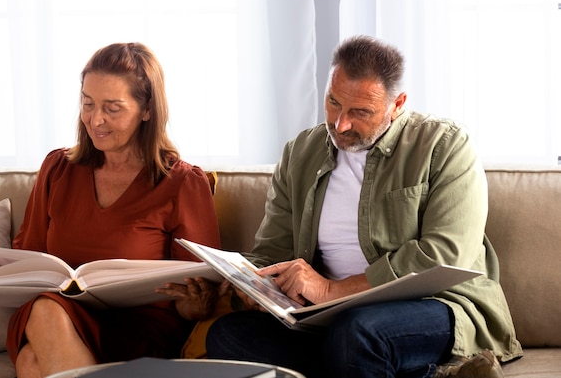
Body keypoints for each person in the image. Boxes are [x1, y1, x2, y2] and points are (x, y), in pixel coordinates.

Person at [205, 35, 522, 378]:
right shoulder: (300, 152)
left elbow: (446, 252)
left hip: (438, 305)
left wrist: (332, 290)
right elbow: (272, 251)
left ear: (397, 104)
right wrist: (248, 285)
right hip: (327, 318)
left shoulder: (445, 145)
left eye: (360, 112)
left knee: (358, 332)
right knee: (230, 336)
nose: (340, 124)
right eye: (333, 102)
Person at [0, 42, 224, 378]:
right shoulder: (57, 168)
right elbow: (30, 255)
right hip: (57, 312)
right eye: (87, 104)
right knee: (46, 312)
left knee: (34, 362)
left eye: (113, 108)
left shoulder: (182, 183)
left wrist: (195, 304)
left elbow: (198, 292)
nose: (96, 119)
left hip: (139, 328)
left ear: (146, 109)